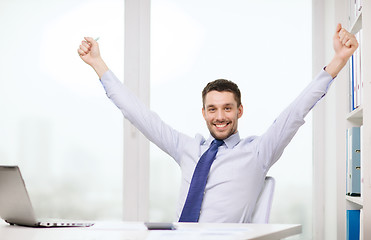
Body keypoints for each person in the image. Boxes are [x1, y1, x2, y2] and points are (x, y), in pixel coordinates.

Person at [77, 23, 358, 223]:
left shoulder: (258, 152)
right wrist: (97, 63)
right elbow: (138, 113)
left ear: (239, 111)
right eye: (212, 109)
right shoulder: (187, 148)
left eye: (227, 108)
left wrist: (338, 60)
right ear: (203, 113)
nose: (220, 116)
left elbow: (296, 112)